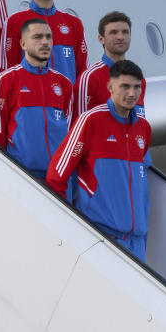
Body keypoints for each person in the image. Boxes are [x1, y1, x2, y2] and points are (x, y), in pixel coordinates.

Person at [47, 60, 152, 261]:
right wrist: (70, 225)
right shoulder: (91, 121)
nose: (132, 94)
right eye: (125, 86)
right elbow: (57, 174)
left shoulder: (144, 129)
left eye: (137, 87)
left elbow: (141, 184)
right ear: (110, 87)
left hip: (136, 242)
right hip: (102, 238)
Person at [0, 19, 73, 179]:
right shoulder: (5, 80)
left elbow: (67, 132)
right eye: (37, 37)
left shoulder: (64, 84)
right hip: (22, 174)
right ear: (23, 44)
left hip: (57, 178)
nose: (45, 42)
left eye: (49, 37)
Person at [0, 0, 87, 84]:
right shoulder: (15, 21)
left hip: (65, 102)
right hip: (29, 101)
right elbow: (6, 71)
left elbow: (83, 73)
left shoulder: (73, 23)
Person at [76, 11, 146, 116]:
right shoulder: (89, 78)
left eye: (125, 32)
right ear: (101, 39)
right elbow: (80, 124)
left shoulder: (138, 79)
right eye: (114, 32)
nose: (120, 37)